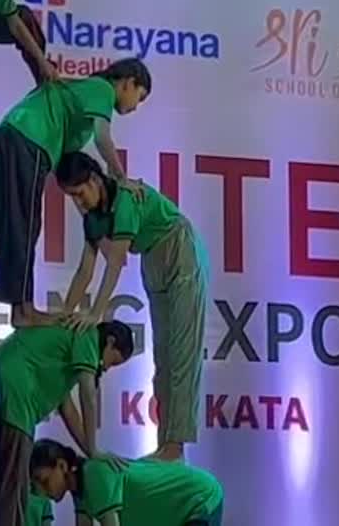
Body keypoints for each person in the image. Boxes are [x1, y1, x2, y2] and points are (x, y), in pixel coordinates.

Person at [56, 151, 209, 462]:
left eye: (80, 192)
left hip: (179, 248)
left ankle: (175, 446)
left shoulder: (124, 200)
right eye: (71, 197)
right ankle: (166, 442)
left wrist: (96, 313)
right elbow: (85, 270)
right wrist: (66, 312)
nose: (79, 202)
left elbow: (114, 264)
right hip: (153, 258)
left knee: (182, 353)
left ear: (95, 180)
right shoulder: (93, 217)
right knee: (163, 355)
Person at [0, 58, 151, 328]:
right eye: (140, 96)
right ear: (128, 83)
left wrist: (93, 223)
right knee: (25, 226)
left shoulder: (81, 100)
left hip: (15, 134)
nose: (136, 107)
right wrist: (122, 179)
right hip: (27, 137)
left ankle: (20, 309)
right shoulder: (102, 89)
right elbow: (103, 138)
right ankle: (23, 310)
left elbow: (69, 172)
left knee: (18, 226)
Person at [0, 321, 134, 526]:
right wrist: (94, 449)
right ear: (109, 342)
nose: (107, 368)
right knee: (10, 490)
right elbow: (88, 395)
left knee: (1, 486)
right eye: (113, 361)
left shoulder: (65, 352)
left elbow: (68, 409)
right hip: (15, 402)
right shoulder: (88, 335)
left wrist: (90, 451)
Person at [29, 440, 224, 526]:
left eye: (44, 480)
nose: (43, 491)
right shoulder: (80, 491)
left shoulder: (93, 474)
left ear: (62, 465)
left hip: (198, 498)